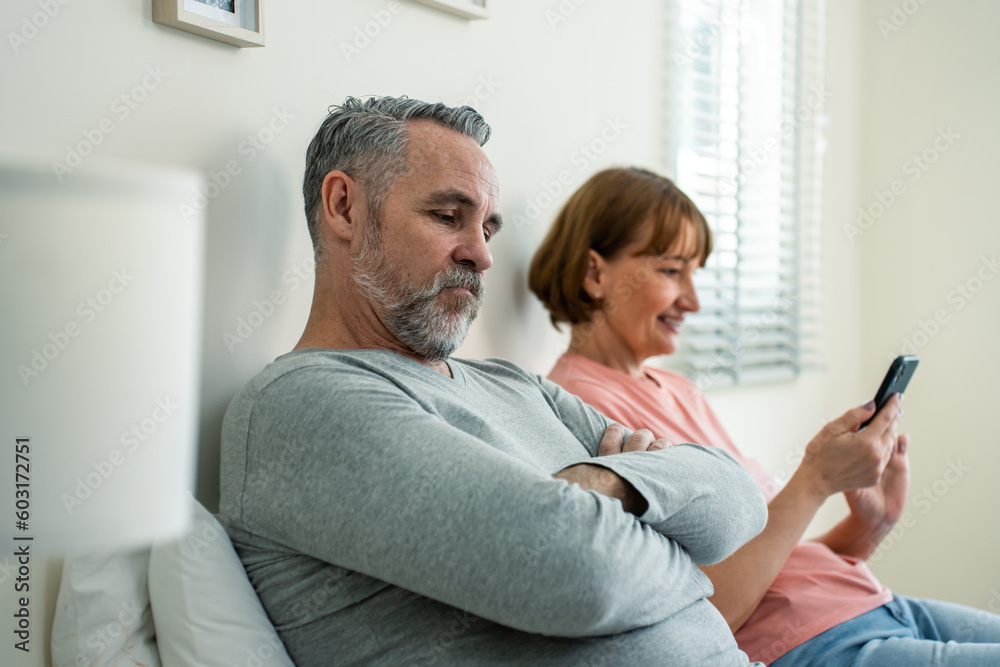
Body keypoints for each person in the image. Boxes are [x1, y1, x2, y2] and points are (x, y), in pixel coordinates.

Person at [218, 97, 769, 666]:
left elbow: (740, 506)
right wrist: (686, 566)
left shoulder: (516, 386)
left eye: (487, 227)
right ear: (344, 207)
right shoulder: (303, 404)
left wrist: (608, 483)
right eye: (447, 216)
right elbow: (578, 574)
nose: (481, 255)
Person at [528, 166, 1000, 666]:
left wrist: (867, 527)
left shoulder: (677, 389)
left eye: (695, 273)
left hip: (876, 605)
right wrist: (814, 480)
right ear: (596, 273)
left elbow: (774, 561)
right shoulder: (580, 407)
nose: (694, 300)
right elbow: (708, 609)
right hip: (817, 644)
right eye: (671, 271)